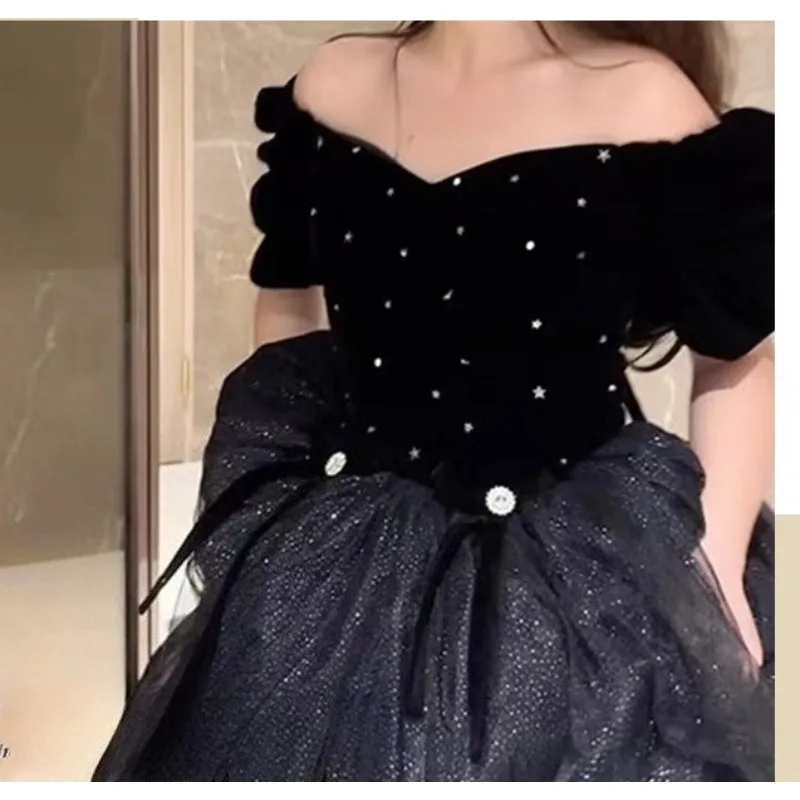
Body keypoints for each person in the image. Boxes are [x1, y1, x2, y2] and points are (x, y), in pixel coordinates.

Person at [94, 21, 775, 781]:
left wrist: (714, 575)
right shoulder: (335, 82)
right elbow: (287, 302)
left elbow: (737, 355)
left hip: (568, 570)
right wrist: (277, 508)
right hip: (345, 538)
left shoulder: (642, 98)